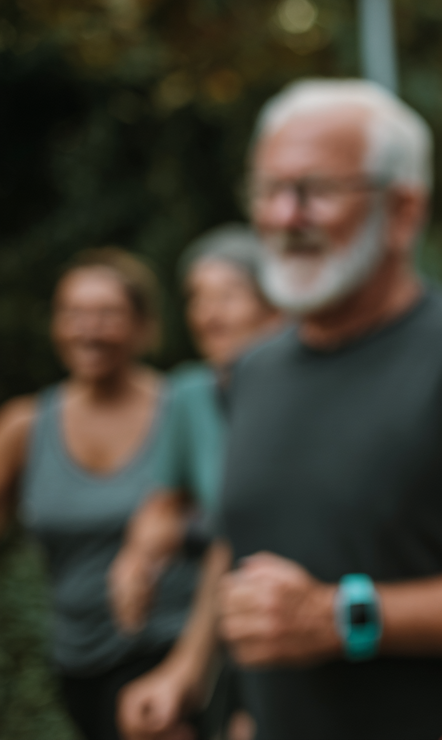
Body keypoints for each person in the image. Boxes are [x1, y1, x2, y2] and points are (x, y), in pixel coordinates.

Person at [204, 79, 442, 739]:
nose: (283, 214)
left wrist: (347, 616)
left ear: (403, 211)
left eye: (315, 190)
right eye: (267, 190)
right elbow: (248, 553)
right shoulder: (253, 371)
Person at [0, 249, 203, 740]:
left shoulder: (183, 409)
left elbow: (231, 519)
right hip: (76, 660)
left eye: (107, 314)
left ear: (142, 326)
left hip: (172, 650)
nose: (88, 329)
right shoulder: (26, 426)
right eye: (73, 313)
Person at [114, 226, 281, 740]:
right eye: (197, 299)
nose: (209, 315)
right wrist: (136, 557)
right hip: (223, 615)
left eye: (228, 297)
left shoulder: (297, 392)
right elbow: (164, 503)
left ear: (275, 306)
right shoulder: (189, 394)